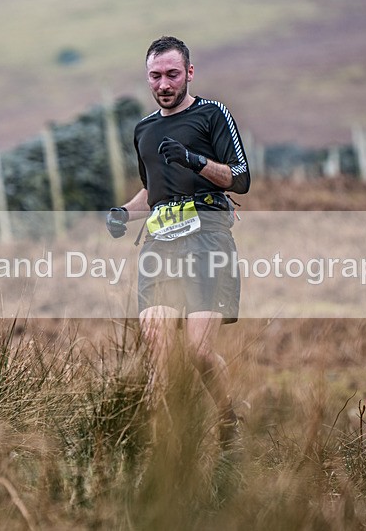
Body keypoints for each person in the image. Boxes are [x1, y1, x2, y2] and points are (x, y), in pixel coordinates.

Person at [105, 35, 251, 454]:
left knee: (198, 352)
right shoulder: (144, 130)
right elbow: (153, 193)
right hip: (160, 246)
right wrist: (123, 213)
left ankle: (227, 420)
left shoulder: (212, 114)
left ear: (189, 72)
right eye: (155, 76)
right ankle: (163, 451)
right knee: (160, 351)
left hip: (208, 240)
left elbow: (240, 179)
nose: (164, 84)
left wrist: (194, 160)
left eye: (172, 74)